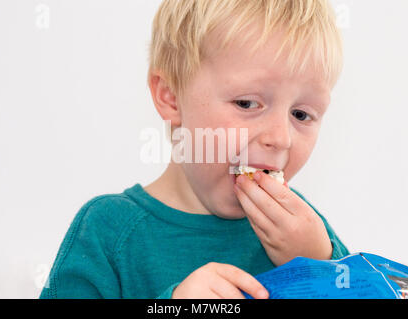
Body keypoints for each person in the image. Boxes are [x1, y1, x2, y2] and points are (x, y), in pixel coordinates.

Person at [40, 0, 350, 299]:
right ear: (171, 97)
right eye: (246, 103)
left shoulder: (306, 231)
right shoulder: (107, 232)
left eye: (301, 115)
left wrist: (319, 265)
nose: (281, 138)